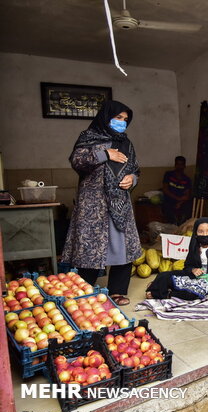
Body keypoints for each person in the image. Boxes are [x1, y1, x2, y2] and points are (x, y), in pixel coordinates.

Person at [61, 100, 141, 306]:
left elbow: (135, 168)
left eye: (125, 119)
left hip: (119, 203)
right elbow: (77, 162)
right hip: (93, 205)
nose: (122, 122)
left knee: (121, 245)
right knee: (90, 246)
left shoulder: (126, 142)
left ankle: (117, 291)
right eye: (118, 118)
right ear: (106, 117)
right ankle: (85, 291)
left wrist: (132, 179)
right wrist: (105, 154)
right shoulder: (88, 137)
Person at [145, 217, 208, 300]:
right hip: (193, 276)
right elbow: (188, 266)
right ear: (196, 233)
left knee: (194, 292)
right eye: (201, 231)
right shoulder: (195, 246)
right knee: (164, 275)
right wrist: (193, 270)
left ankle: (167, 294)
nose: (205, 234)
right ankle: (155, 288)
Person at [162, 156, 192, 225]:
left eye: (181, 164)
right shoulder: (168, 175)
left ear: (184, 166)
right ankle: (173, 224)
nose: (179, 166)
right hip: (170, 200)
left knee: (189, 204)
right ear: (175, 165)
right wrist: (178, 199)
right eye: (178, 164)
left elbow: (187, 196)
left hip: (181, 202)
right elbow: (165, 190)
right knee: (166, 205)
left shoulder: (187, 179)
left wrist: (180, 203)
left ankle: (182, 225)